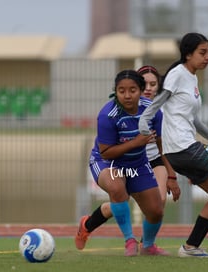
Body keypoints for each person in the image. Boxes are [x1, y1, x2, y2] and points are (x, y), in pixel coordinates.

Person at [138, 32, 208, 258]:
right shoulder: (177, 74)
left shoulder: (192, 78)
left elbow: (194, 119)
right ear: (188, 54)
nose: (207, 57)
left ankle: (190, 247)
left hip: (181, 149)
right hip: (183, 147)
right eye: (202, 52)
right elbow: (158, 101)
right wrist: (144, 121)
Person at [75, 66, 180, 253]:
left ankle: (147, 246)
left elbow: (163, 146)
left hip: (137, 164)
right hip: (107, 163)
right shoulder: (108, 115)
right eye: (121, 91)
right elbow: (106, 152)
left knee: (156, 210)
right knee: (117, 187)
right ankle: (129, 240)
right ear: (115, 92)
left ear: (141, 91)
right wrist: (135, 142)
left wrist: (171, 176)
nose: (127, 95)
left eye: (132, 90)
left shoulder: (153, 111)